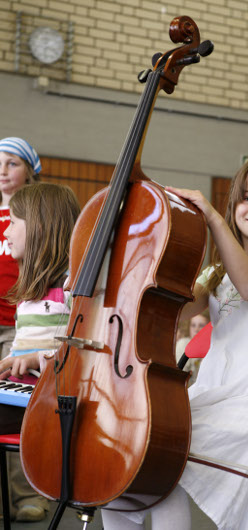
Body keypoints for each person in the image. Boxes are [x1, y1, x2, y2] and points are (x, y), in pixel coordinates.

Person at [100, 154, 248, 530]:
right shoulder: (215, 272)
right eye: (247, 198)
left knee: (166, 456)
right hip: (211, 392)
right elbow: (175, 308)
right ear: (235, 206)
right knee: (127, 453)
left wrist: (213, 220)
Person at [0, 182, 80, 521]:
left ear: (41, 229)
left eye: (15, 221)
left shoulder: (70, 285)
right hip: (24, 392)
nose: (7, 228)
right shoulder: (30, 290)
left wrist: (32, 360)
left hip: (48, 396)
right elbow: (21, 349)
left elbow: (79, 353)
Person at [0, 137, 41, 360]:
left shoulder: (34, 215)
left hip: (16, 321)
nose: (3, 170)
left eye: (12, 163)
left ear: (29, 171)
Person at [175, 310, 210, 384]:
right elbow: (179, 375)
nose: (196, 329)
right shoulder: (183, 344)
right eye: (193, 325)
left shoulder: (213, 348)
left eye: (201, 325)